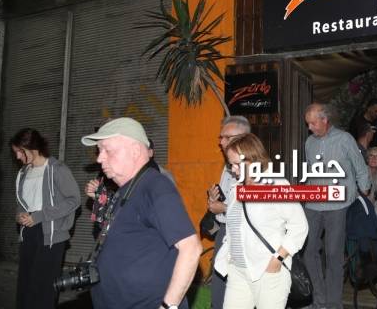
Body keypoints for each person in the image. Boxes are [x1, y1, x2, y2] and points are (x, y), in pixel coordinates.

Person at [81, 117, 202, 309]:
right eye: (99, 150)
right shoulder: (126, 189)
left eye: (107, 150)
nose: (99, 158)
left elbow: (191, 248)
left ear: (135, 151)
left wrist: (167, 306)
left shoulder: (156, 186)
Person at [214, 133, 308, 309]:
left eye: (237, 164)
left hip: (268, 272)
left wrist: (277, 259)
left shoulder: (275, 184)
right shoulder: (236, 188)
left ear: (253, 160)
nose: (233, 170)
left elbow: (299, 225)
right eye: (230, 164)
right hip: (238, 272)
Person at [303, 103, 370, 309]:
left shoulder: (344, 139)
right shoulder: (309, 142)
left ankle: (333, 303)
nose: (310, 128)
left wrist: (365, 191)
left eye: (313, 123)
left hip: (338, 205)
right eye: (308, 124)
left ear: (325, 120)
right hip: (313, 204)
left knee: (333, 254)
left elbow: (360, 168)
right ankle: (319, 299)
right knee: (308, 252)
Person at [11, 128, 80, 309]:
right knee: (25, 285)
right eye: (16, 152)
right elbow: (21, 203)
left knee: (43, 288)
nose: (17, 156)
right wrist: (20, 215)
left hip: (51, 235)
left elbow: (74, 200)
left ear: (31, 147)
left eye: (20, 151)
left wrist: (39, 216)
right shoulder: (23, 173)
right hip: (28, 233)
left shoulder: (57, 169)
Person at [206, 115, 251, 309]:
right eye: (221, 137)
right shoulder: (228, 166)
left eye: (226, 137)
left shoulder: (257, 170)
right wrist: (214, 200)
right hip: (225, 234)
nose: (221, 142)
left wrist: (223, 208)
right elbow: (232, 200)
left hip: (244, 237)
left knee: (241, 290)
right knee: (220, 289)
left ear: (241, 138)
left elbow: (255, 211)